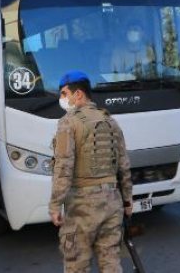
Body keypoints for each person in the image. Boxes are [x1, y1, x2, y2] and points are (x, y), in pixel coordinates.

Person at [49, 70, 133, 273]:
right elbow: (124, 166)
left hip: (81, 205)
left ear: (78, 94)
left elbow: (63, 167)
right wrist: (128, 202)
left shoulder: (68, 123)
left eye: (64, 93)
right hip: (112, 202)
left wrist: (55, 205)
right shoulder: (111, 122)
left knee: (76, 263)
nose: (62, 98)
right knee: (111, 262)